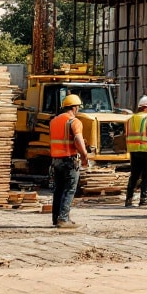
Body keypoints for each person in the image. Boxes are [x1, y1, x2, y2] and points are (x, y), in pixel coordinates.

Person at [50, 93, 91, 229]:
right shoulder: (74, 122)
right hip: (69, 160)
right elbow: (77, 140)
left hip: (56, 159)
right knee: (69, 189)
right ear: (74, 108)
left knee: (59, 189)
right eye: (78, 107)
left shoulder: (54, 121)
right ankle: (63, 219)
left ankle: (57, 218)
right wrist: (84, 155)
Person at [124, 95, 147, 207]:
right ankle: (144, 199)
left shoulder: (130, 120)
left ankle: (128, 199)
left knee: (134, 175)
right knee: (146, 175)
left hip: (134, 151)